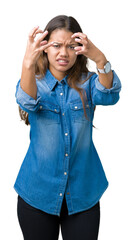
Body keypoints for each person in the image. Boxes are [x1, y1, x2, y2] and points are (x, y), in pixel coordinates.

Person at [14, 15, 122, 240]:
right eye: (56, 45)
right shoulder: (34, 81)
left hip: (83, 195)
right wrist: (27, 61)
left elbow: (109, 95)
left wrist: (99, 57)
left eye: (71, 46)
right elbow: (25, 100)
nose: (63, 53)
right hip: (37, 195)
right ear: (45, 48)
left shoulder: (89, 83)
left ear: (80, 49)